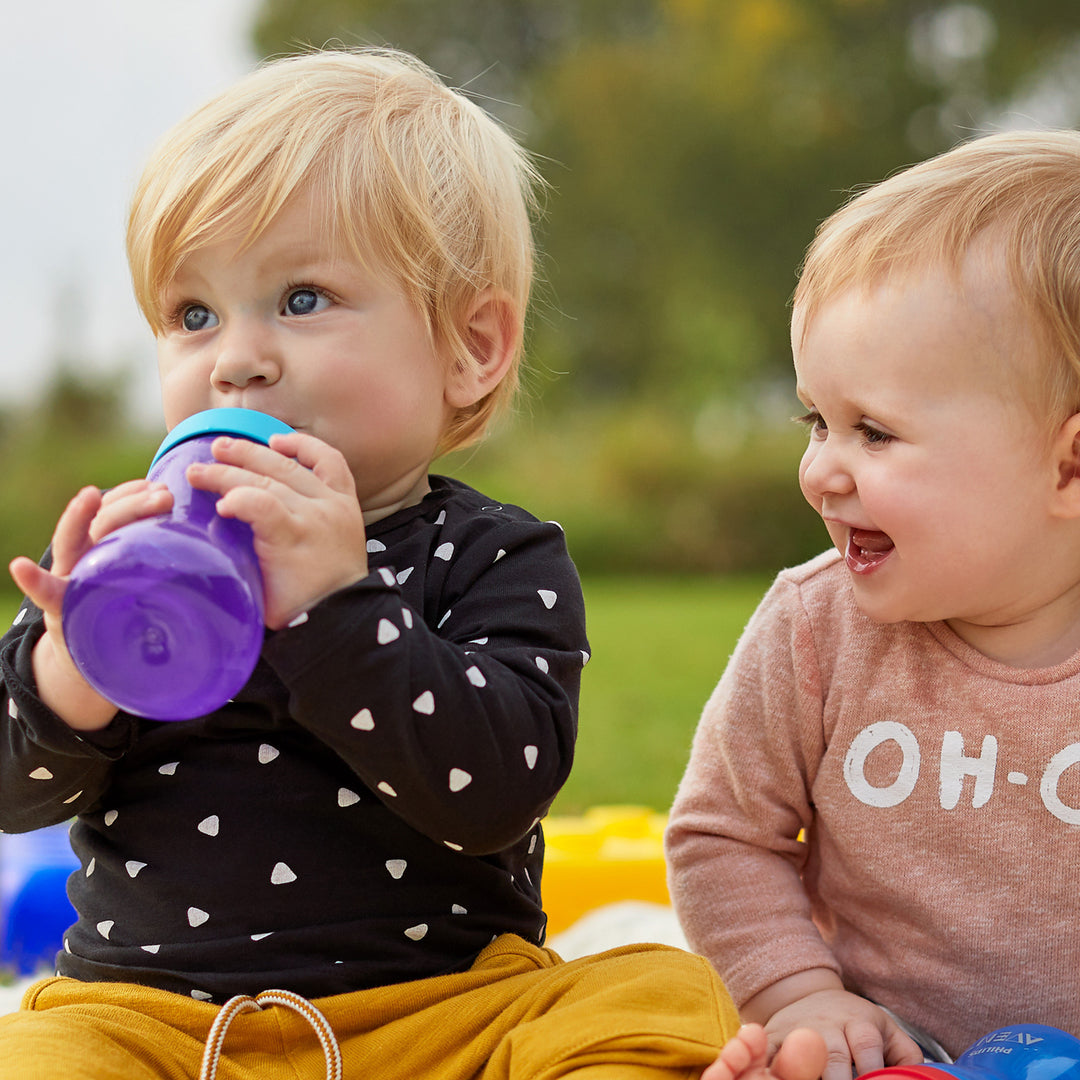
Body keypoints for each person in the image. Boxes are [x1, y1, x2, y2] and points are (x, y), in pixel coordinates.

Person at [0, 46, 756, 1080]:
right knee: (37, 1047)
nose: (239, 357)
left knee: (665, 994)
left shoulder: (493, 556)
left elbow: (493, 789)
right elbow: (13, 795)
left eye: (303, 299)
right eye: (193, 315)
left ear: (470, 349)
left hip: (448, 1020)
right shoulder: (126, 558)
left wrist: (336, 612)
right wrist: (72, 671)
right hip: (154, 1028)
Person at [665, 128, 1080, 1080]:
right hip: (888, 1049)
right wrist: (800, 994)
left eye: (875, 433)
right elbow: (722, 835)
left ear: (1070, 464)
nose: (820, 471)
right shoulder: (816, 629)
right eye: (818, 421)